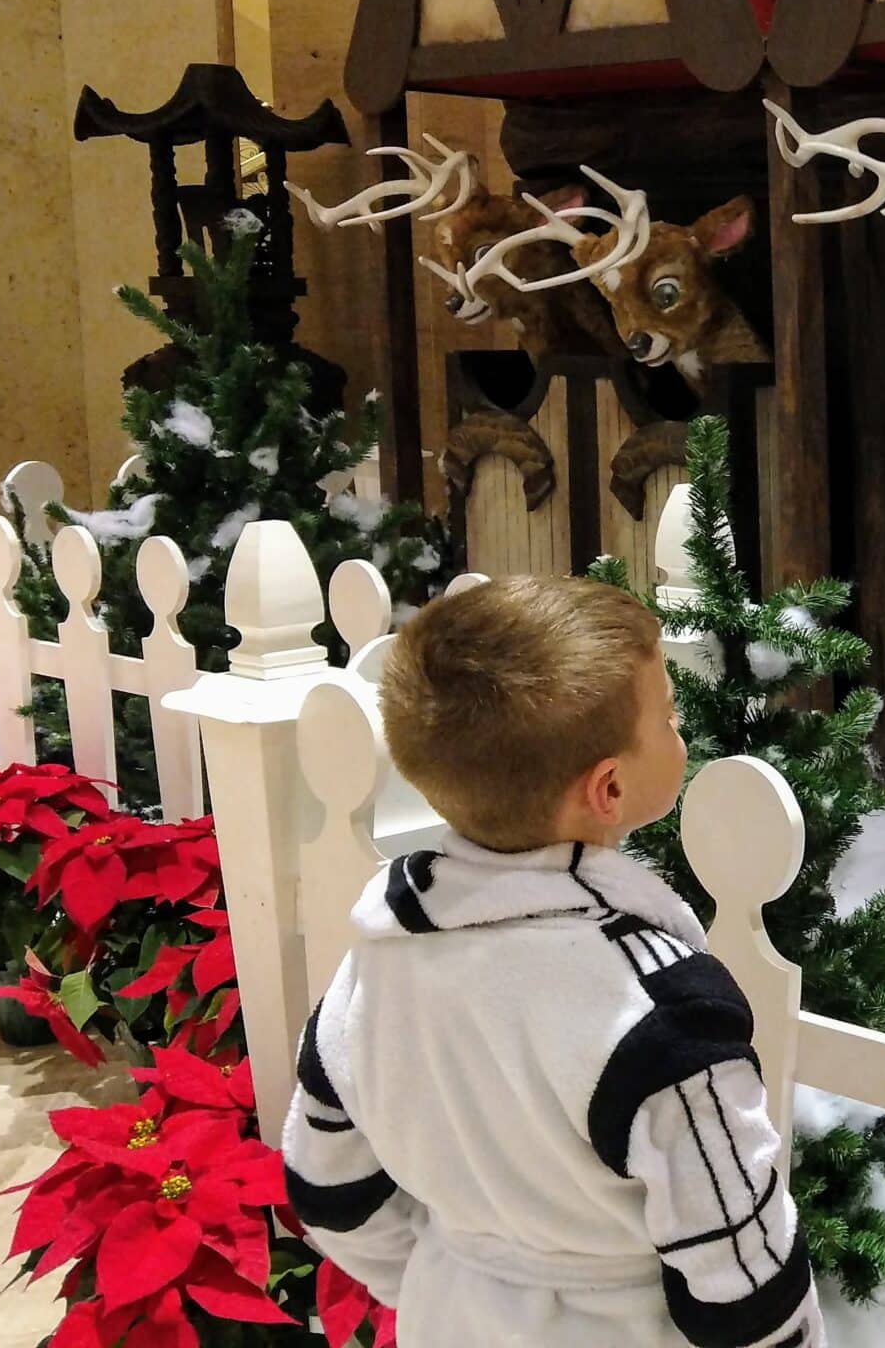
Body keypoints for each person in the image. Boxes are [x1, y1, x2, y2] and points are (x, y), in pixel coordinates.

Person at [282, 576, 822, 1348]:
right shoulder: (662, 1013)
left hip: (453, 1317)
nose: (682, 733)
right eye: (668, 719)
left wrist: (456, 1274)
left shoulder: (379, 961)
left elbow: (326, 1186)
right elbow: (747, 1280)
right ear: (609, 787)